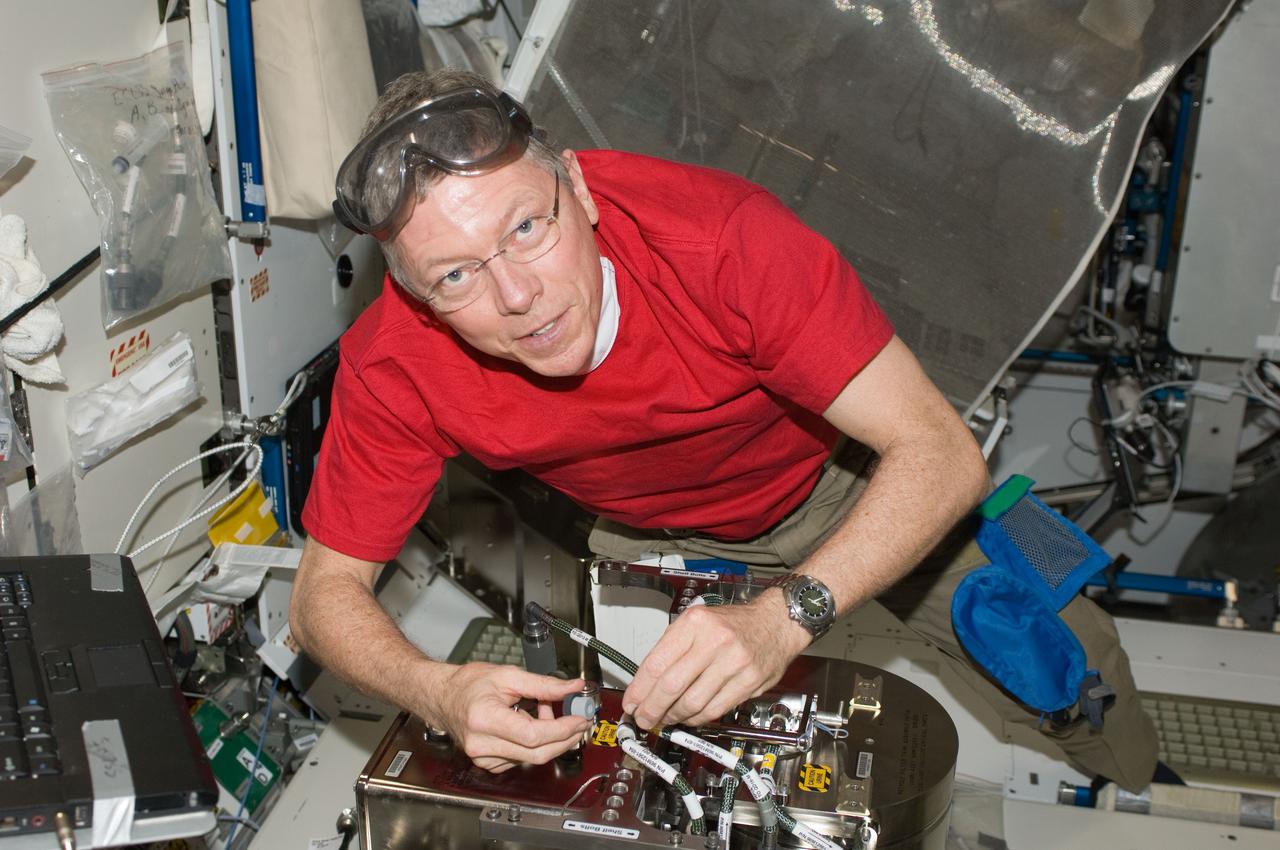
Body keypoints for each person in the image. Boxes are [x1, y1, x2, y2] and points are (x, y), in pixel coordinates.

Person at [290, 68, 1158, 788]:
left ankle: (1135, 794)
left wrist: (786, 617)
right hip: (646, 532)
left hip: (835, 479)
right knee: (661, 755)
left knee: (1057, 659)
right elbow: (320, 600)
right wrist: (436, 691)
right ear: (412, 296)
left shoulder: (722, 242)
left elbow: (941, 453)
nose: (518, 296)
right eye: (456, 275)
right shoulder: (394, 362)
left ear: (581, 190)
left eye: (527, 227)